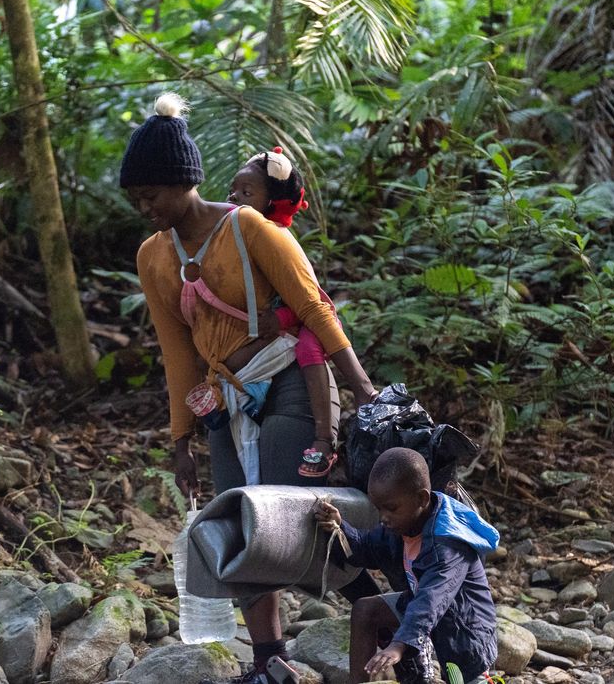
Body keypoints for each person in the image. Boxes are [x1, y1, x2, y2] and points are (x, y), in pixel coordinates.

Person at [125, 92, 379, 683]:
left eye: (152, 195)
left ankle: (382, 604)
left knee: (296, 515)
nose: (145, 207)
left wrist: (359, 387)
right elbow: (177, 351)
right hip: (224, 403)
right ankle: (270, 661)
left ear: (185, 182)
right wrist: (180, 440)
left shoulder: (249, 228)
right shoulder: (151, 257)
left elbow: (315, 308)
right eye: (136, 199)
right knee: (241, 525)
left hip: (293, 383)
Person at [227, 147, 371, 477]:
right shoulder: (235, 241)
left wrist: (278, 320)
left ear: (272, 202)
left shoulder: (276, 237)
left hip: (307, 323)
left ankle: (324, 439)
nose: (235, 197)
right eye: (233, 190)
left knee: (309, 348)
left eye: (247, 193)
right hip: (261, 355)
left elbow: (310, 302)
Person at [316, 448, 500, 684]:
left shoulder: (448, 544)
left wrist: (398, 645)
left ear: (422, 499)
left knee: (462, 676)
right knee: (365, 610)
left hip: (463, 628)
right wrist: (340, 527)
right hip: (422, 609)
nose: (383, 517)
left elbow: (431, 599)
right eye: (378, 508)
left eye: (391, 508)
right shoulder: (401, 525)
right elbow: (366, 549)